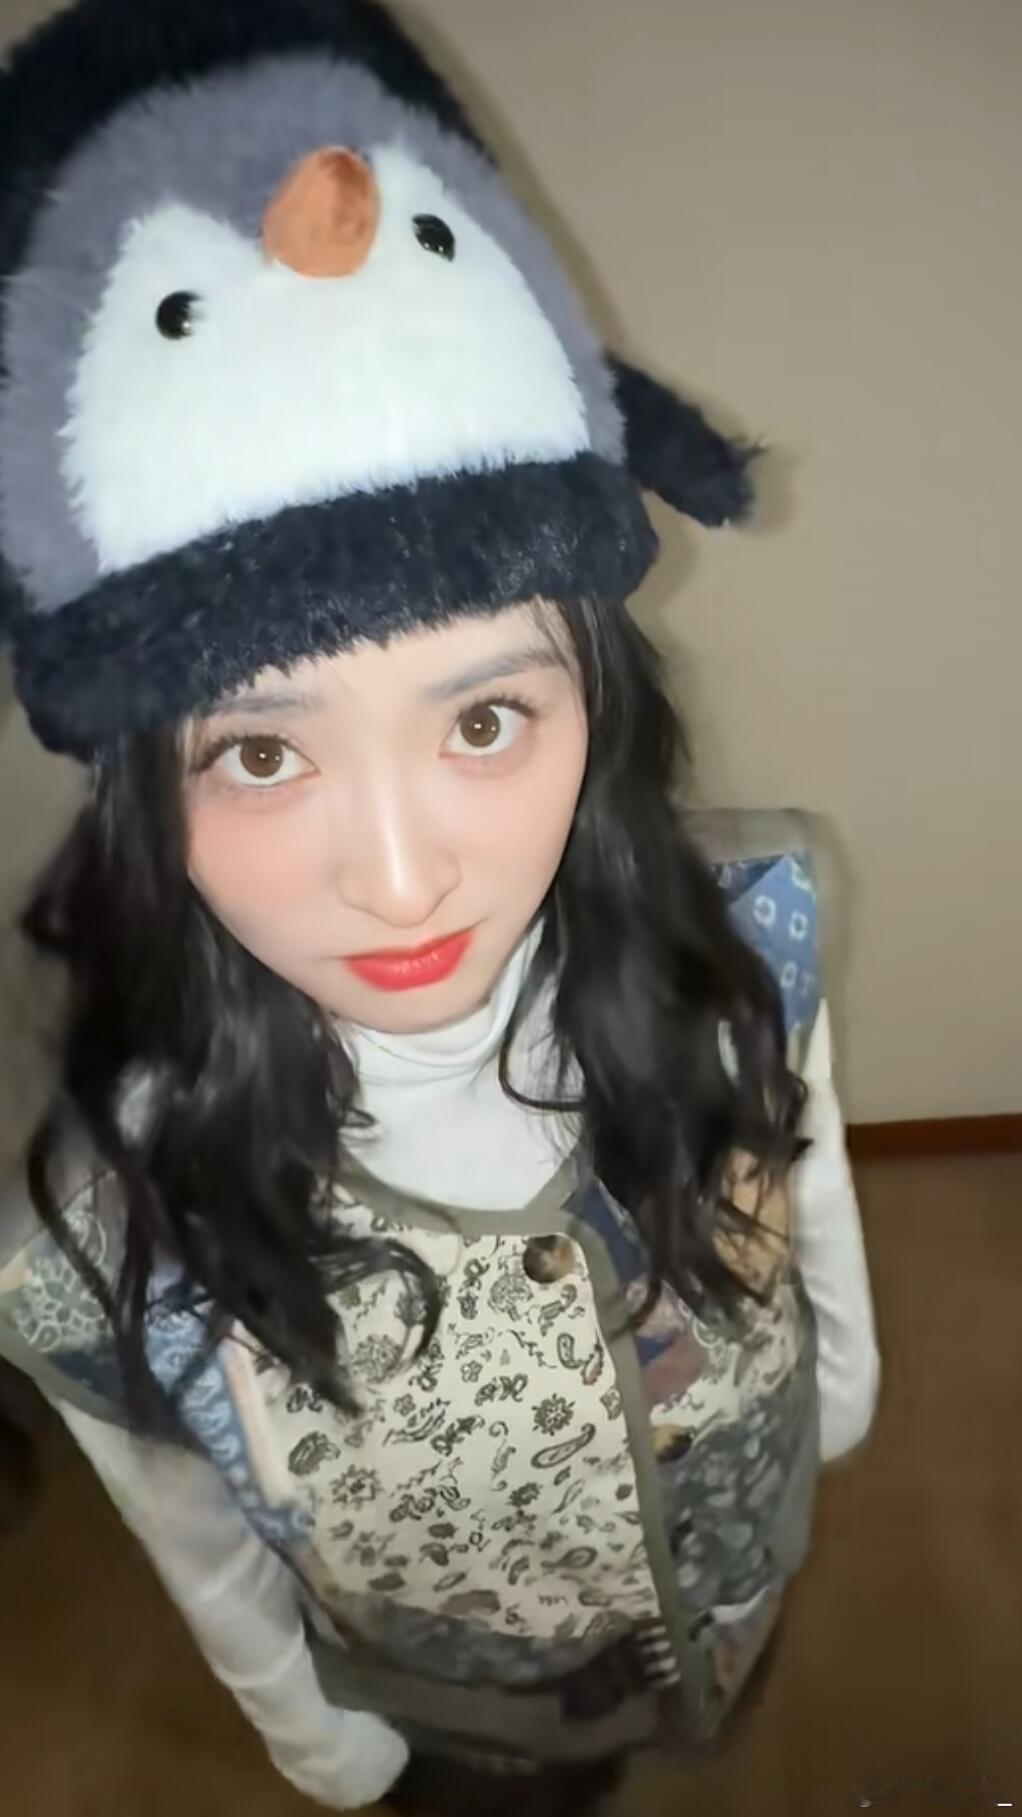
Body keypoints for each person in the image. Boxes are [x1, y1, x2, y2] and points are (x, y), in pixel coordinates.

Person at [0, 3, 880, 1812]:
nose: (401, 882)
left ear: (594, 707)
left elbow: (801, 1193)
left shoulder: (748, 938)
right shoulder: (96, 1229)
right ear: (143, 794)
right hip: (452, 1721)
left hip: (722, 1587)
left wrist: (836, 1396)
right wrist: (323, 1742)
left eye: (483, 721)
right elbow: (194, 1522)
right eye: (261, 753)